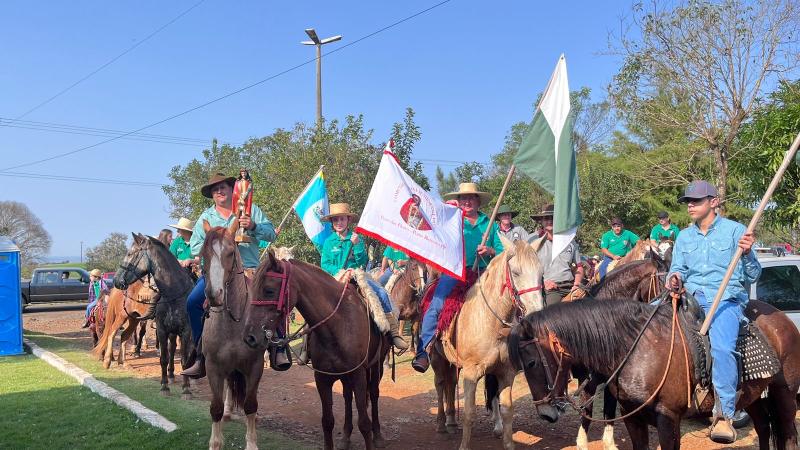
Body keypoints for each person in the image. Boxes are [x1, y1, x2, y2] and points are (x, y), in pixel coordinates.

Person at [667, 180, 759, 444]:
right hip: (691, 298)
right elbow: (678, 269)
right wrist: (673, 279)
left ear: (714, 202)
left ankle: (724, 414)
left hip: (725, 299)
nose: (690, 206)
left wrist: (749, 253)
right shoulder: (684, 236)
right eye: (688, 202)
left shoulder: (736, 232)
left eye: (696, 201)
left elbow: (753, 275)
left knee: (721, 348)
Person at [181, 172, 280, 378]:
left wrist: (252, 226)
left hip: (249, 269)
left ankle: (278, 346)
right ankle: (200, 354)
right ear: (212, 195)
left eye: (222, 187)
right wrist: (217, 243)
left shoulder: (251, 210)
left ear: (232, 189)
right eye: (214, 189)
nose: (219, 191)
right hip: (216, 272)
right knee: (192, 302)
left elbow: (271, 234)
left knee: (274, 299)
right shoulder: (206, 218)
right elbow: (196, 247)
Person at [412, 183, 503, 373]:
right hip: (456, 273)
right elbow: (430, 227)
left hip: (484, 274)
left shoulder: (490, 224)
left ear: (478, 201)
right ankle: (424, 351)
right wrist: (443, 210)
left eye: (471, 198)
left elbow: (503, 254)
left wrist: (489, 250)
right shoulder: (451, 219)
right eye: (463, 198)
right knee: (435, 305)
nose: (467, 201)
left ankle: (513, 350)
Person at [319, 203, 408, 350]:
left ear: (348, 220)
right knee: (314, 299)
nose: (339, 223)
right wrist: (340, 271)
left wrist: (357, 246)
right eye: (335, 220)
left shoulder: (356, 238)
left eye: (342, 219)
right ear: (332, 223)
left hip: (356, 275)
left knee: (381, 293)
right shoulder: (328, 242)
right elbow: (325, 264)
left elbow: (362, 261)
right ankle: (307, 344)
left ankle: (393, 333)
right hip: (335, 278)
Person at [528, 204, 584, 305]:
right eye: (546, 218)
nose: (550, 221)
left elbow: (579, 267)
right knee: (553, 313)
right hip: (551, 288)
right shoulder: (533, 241)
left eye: (553, 218)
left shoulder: (569, 240)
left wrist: (577, 284)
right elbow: (527, 270)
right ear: (541, 221)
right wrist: (543, 283)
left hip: (571, 285)